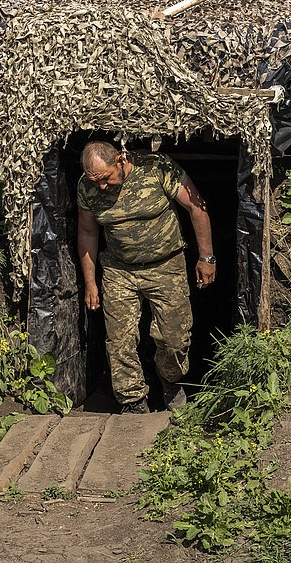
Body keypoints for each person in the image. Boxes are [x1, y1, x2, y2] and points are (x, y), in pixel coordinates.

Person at [76, 141, 216, 413]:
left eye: (105, 179)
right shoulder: (87, 186)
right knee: (119, 340)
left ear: (120, 160)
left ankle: (171, 382)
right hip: (119, 269)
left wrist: (206, 258)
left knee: (173, 338)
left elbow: (197, 207)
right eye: (96, 182)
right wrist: (90, 282)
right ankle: (133, 402)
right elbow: (87, 232)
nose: (102, 187)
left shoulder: (156, 167)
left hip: (166, 266)